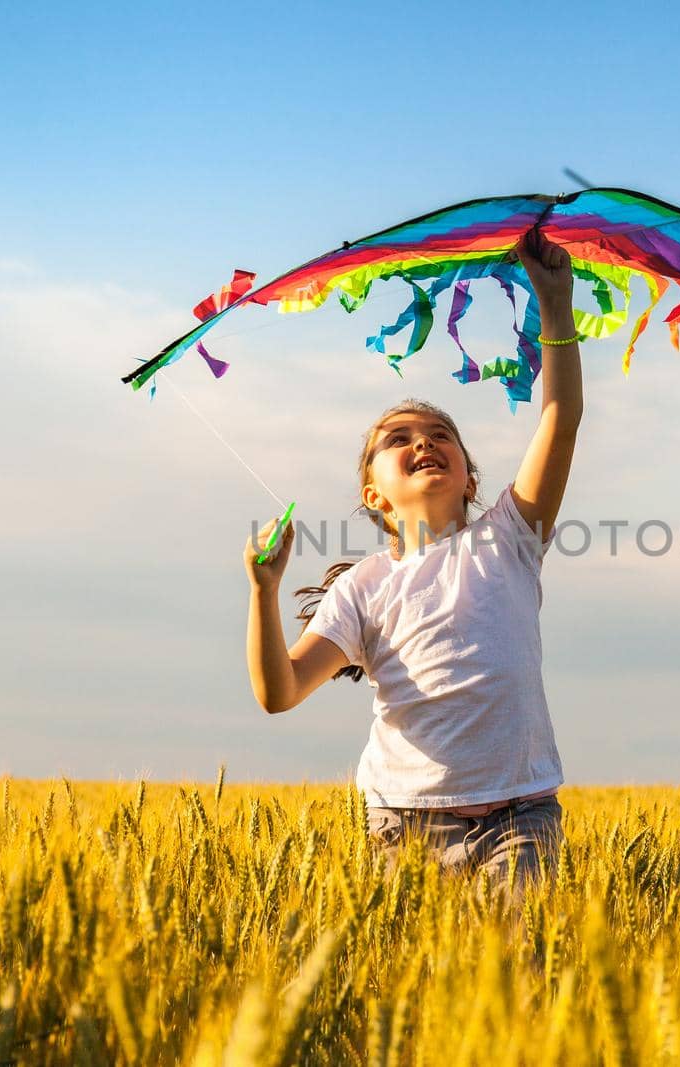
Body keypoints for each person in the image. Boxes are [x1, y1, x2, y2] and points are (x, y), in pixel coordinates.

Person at [243, 228, 582, 892]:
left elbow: (560, 417)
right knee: (414, 990)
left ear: (470, 480)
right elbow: (278, 691)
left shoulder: (509, 538)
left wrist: (555, 301)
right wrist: (264, 588)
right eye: (399, 439)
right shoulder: (364, 588)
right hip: (405, 828)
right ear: (374, 493)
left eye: (440, 436)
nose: (423, 442)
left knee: (515, 988)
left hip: (520, 820)